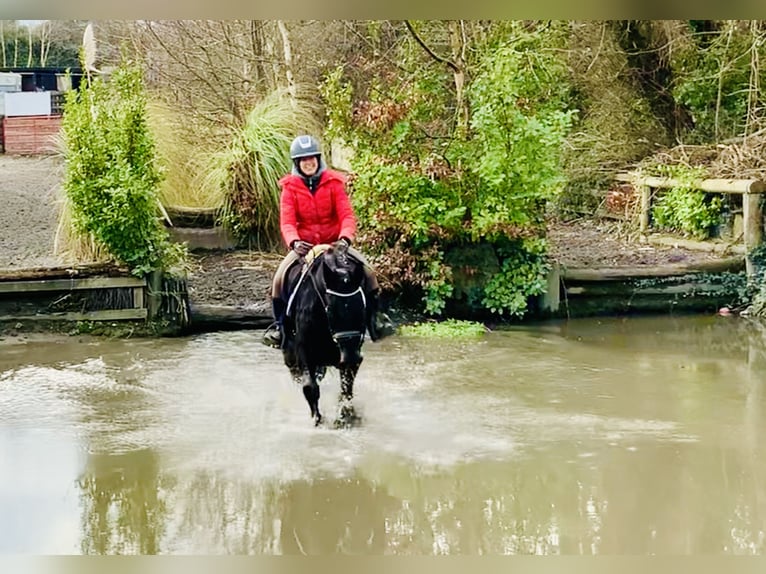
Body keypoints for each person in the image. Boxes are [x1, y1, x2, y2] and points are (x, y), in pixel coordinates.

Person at [262, 134, 394, 348]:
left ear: (318, 159)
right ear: (297, 163)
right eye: (304, 160)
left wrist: (345, 239)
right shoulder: (289, 187)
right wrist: (294, 242)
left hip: (335, 244)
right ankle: (279, 327)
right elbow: (287, 222)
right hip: (305, 247)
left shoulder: (334, 182)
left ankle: (376, 320)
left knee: (368, 271)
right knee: (279, 279)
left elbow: (347, 216)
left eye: (312, 158)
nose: (309, 163)